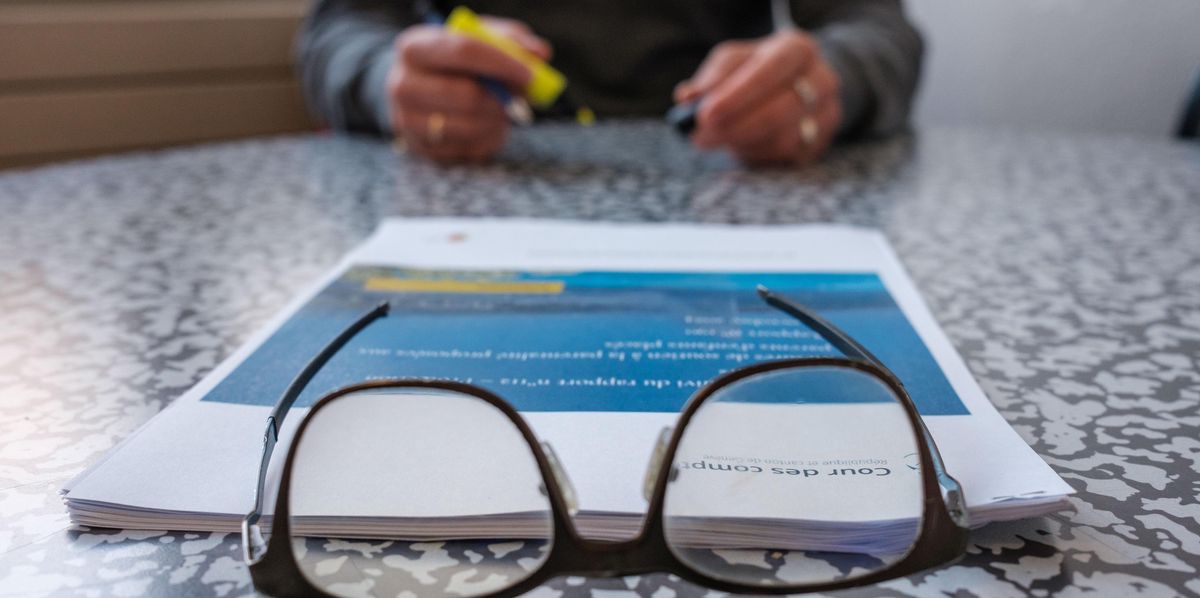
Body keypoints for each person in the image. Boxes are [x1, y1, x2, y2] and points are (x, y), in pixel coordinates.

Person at [297, 1, 923, 166]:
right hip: (478, 179)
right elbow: (341, 27)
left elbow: (875, 26)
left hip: (728, 171)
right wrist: (389, 79)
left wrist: (826, 82)